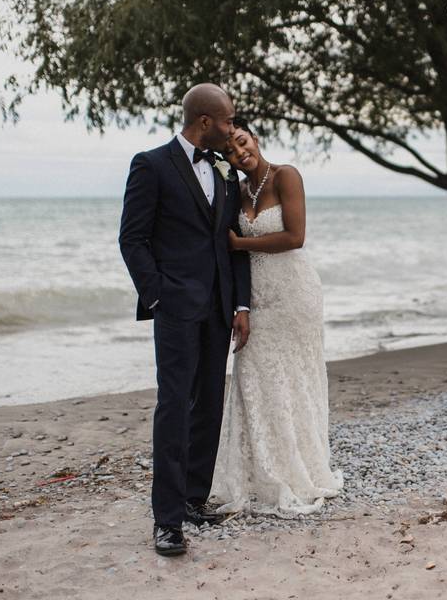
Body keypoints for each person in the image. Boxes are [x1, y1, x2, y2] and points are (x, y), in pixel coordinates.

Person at [119, 83, 251, 556]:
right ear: (204, 123)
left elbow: (231, 242)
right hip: (175, 308)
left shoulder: (227, 173)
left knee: (208, 405)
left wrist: (240, 305)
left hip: (218, 309)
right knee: (174, 407)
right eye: (228, 120)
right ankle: (167, 521)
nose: (233, 128)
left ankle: (194, 498)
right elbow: (132, 239)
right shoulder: (150, 165)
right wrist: (158, 297)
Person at [209, 122, 343, 516]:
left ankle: (300, 470)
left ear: (255, 139)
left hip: (294, 293)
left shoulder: (286, 175)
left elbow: (295, 236)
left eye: (242, 142)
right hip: (258, 298)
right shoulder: (237, 190)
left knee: (296, 379)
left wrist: (240, 242)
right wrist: (240, 305)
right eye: (231, 151)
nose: (239, 153)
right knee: (253, 376)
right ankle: (255, 476)